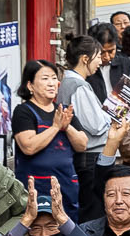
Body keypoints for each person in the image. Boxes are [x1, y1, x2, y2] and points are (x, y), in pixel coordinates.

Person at [12, 59, 89, 202]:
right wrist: (55, 127)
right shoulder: (23, 112)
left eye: (54, 78)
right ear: (30, 85)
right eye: (45, 79)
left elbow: (82, 144)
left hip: (65, 185)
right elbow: (28, 146)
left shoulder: (64, 110)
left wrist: (67, 127)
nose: (51, 83)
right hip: (36, 188)